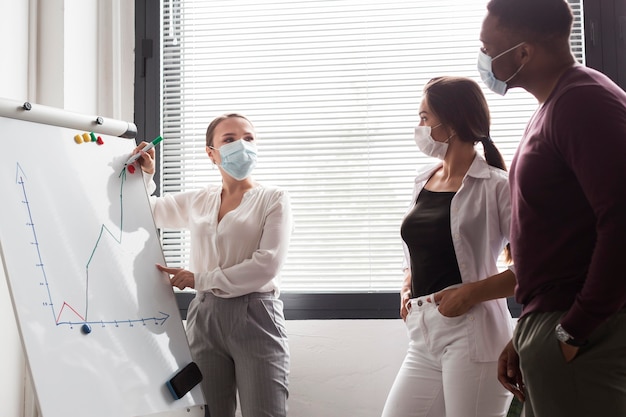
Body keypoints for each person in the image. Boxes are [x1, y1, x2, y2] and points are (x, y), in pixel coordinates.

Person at [478, 0, 626, 416]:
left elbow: (621, 222)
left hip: (582, 328)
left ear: (523, 53)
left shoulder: (584, 103)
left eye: (489, 48)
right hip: (550, 321)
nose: (483, 58)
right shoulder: (553, 107)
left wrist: (573, 329)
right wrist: (528, 332)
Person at [132, 113, 293, 417]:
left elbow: (267, 264)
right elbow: (149, 212)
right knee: (209, 412)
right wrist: (145, 175)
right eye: (230, 140)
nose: (242, 146)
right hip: (205, 316)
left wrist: (198, 278)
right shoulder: (201, 199)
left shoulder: (273, 199)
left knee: (265, 412)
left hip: (256, 315)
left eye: (248, 138)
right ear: (211, 153)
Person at [381, 76, 516, 417]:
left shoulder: (497, 186)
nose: (419, 126)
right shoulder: (423, 179)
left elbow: (535, 269)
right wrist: (407, 284)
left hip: (472, 335)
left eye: (425, 117)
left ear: (451, 122)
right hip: (424, 333)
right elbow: (417, 249)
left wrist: (469, 294)